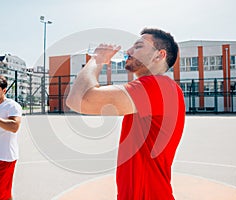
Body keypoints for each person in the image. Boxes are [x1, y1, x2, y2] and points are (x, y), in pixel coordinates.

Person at [66, 28, 185, 199]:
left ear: (159, 56)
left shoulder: (158, 86)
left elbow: (78, 100)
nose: (128, 51)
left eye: (138, 46)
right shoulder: (156, 89)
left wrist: (97, 60)